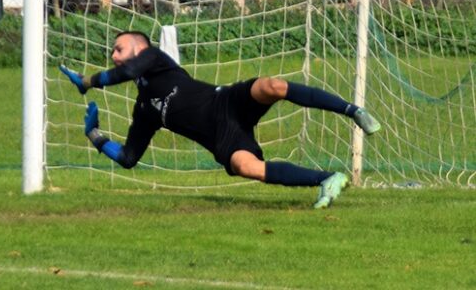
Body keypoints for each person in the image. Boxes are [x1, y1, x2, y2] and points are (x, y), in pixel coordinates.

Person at [59, 30, 381, 209]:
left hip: (225, 101)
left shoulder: (155, 59)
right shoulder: (143, 109)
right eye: (112, 51)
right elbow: (129, 157)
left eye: (119, 48)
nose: (114, 55)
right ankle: (326, 179)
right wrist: (95, 136)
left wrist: (86, 82)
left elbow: (126, 71)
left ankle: (353, 111)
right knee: (246, 167)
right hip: (220, 138)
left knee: (273, 86)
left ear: (140, 48)